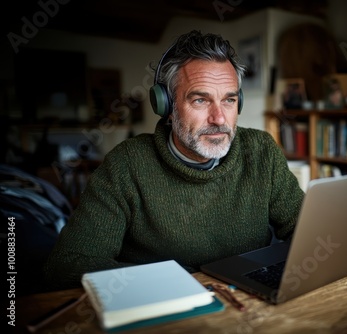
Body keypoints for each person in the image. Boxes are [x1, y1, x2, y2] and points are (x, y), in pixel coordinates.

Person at [43, 30, 305, 290]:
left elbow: (308, 231)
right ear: (166, 106)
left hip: (252, 305)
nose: (219, 118)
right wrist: (183, 280)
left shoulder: (261, 151)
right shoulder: (125, 165)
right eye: (200, 99)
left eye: (229, 100)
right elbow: (67, 266)